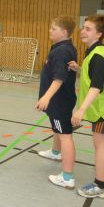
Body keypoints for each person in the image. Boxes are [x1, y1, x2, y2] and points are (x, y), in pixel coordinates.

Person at [69, 14, 104, 199]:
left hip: (102, 109)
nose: (83, 31)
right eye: (83, 27)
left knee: (100, 143)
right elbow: (93, 74)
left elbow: (96, 86)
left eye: (88, 29)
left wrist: (82, 109)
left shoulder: (98, 56)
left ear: (99, 34)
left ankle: (101, 186)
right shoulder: (96, 51)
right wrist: (79, 68)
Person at [35, 16, 77, 189]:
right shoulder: (64, 48)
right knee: (57, 128)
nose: (50, 31)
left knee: (65, 134)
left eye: (53, 28)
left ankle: (67, 177)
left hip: (59, 101)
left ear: (64, 32)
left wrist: (46, 97)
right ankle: (55, 153)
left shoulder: (61, 51)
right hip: (59, 101)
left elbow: (59, 77)